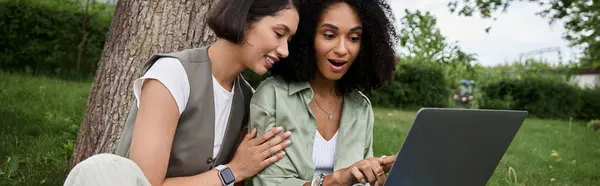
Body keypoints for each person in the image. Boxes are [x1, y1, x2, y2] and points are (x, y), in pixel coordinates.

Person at [63, 0, 300, 186]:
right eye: (279, 33)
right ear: (245, 18)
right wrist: (233, 171)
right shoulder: (172, 74)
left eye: (290, 40)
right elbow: (144, 183)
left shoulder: (248, 99)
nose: (285, 50)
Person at [247, 0, 398, 185]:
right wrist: (337, 180)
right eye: (329, 35)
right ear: (307, 37)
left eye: (353, 38)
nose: (342, 49)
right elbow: (269, 182)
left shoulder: (361, 107)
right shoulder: (273, 97)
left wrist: (377, 173)